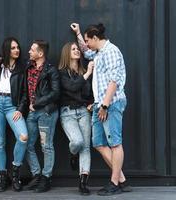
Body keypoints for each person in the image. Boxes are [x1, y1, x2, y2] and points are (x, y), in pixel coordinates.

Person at [71, 22, 131, 195]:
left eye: (89, 40)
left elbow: (114, 81)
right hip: (99, 104)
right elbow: (86, 50)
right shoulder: (98, 53)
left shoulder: (111, 51)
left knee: (115, 143)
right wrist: (79, 34)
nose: (87, 44)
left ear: (96, 38)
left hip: (110, 104)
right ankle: (122, 180)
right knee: (98, 143)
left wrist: (105, 105)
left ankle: (114, 183)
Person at [0, 37, 28, 192]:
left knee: (23, 136)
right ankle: (2, 175)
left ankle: (15, 171)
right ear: (7, 49)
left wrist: (20, 109)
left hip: (13, 106)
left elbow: (26, 92)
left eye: (18, 47)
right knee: (0, 143)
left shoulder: (23, 67)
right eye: (13, 48)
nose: (17, 50)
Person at [58, 41, 94, 195]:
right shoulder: (62, 73)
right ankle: (73, 154)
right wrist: (87, 75)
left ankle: (83, 182)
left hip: (83, 112)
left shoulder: (83, 71)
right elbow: (72, 88)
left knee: (85, 148)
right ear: (67, 53)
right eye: (73, 49)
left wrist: (91, 103)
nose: (77, 51)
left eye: (78, 49)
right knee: (78, 142)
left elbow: (89, 93)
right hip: (68, 113)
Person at [24, 40, 60, 193]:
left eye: (32, 50)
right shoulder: (28, 66)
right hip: (32, 113)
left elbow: (55, 93)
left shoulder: (51, 70)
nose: (29, 52)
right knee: (26, 144)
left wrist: (37, 103)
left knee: (46, 146)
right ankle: (37, 174)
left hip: (46, 111)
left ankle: (46, 177)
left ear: (40, 53)